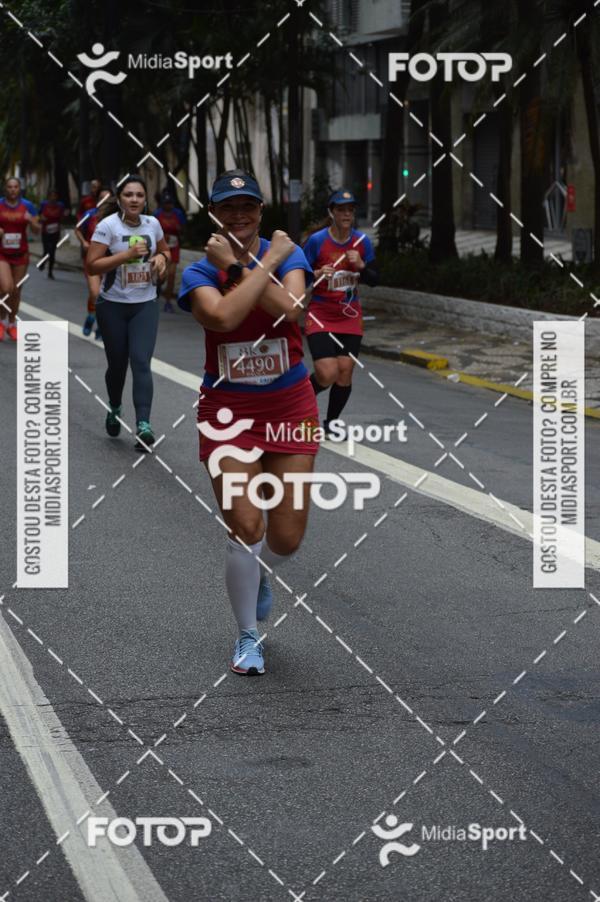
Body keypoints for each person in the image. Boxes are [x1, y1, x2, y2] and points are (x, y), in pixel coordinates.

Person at [178, 169, 318, 676]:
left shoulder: (291, 256)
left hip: (290, 406)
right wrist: (259, 263)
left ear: (262, 210)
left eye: (248, 206)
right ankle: (246, 637)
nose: (239, 215)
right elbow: (221, 319)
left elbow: (293, 312)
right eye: (228, 207)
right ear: (214, 214)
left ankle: (259, 570)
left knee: (286, 538)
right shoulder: (199, 272)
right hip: (228, 414)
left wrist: (250, 265)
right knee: (246, 525)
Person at [86, 176, 170, 449]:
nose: (134, 199)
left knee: (141, 361)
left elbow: (165, 250)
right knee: (118, 365)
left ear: (145, 200)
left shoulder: (153, 224)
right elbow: (92, 265)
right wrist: (127, 254)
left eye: (139, 195)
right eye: (128, 195)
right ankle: (114, 406)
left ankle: (143, 425)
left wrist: (162, 258)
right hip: (112, 306)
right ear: (119, 199)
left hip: (145, 304)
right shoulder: (107, 226)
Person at [303, 190, 378, 430]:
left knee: (344, 372)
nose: (346, 214)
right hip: (320, 314)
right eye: (341, 209)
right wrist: (316, 274)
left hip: (350, 317)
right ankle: (296, 403)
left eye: (350, 210)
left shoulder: (362, 242)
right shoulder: (317, 241)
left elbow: (375, 280)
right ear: (331, 212)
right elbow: (298, 274)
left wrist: (362, 266)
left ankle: (331, 423)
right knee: (327, 373)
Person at [0, 176, 40, 342]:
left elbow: (37, 230)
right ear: (5, 189)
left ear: (19, 189)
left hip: (21, 254)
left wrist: (31, 221)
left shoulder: (28, 206)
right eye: (10, 187)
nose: (13, 190)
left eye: (15, 186)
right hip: (2, 253)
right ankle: (1, 321)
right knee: (5, 288)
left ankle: (12, 324)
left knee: (16, 291)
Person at [75, 188, 111, 339]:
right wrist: (83, 242)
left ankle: (101, 327)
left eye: (108, 198)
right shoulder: (90, 214)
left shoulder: (116, 217)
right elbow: (77, 229)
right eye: (102, 198)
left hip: (110, 261)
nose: (105, 201)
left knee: (107, 296)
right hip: (92, 260)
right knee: (95, 293)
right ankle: (91, 316)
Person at [152, 190, 186, 312]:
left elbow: (183, 229)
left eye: (170, 203)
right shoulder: (157, 214)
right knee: (161, 274)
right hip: (160, 247)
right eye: (166, 203)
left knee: (171, 275)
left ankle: (167, 302)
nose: (168, 206)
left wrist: (178, 230)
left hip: (174, 247)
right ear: (162, 204)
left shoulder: (178, 213)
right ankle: (157, 288)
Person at [39, 188, 68, 279]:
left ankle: (50, 272)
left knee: (52, 252)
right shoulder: (44, 204)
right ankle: (43, 262)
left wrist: (65, 215)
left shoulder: (60, 205)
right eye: (51, 196)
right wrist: (41, 218)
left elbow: (62, 217)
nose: (53, 197)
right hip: (45, 231)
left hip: (55, 232)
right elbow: (38, 215)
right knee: (46, 250)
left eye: (55, 196)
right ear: (48, 197)